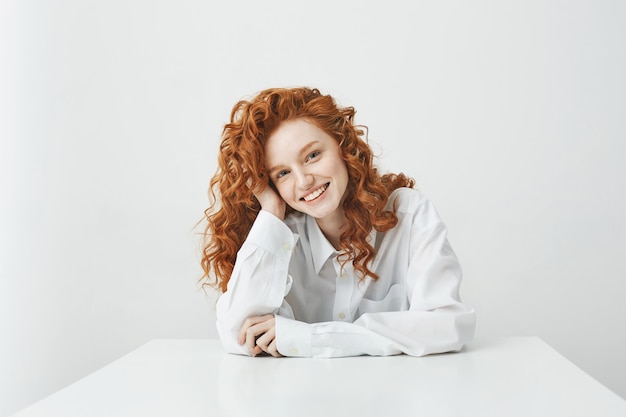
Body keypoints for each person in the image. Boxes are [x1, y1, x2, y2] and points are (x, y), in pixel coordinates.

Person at [200, 87, 475, 358]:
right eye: (283, 173)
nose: (304, 181)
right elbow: (238, 333)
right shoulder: (282, 237)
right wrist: (271, 210)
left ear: (343, 145)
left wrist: (310, 338)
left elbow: (447, 324)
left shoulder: (409, 215)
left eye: (312, 156)